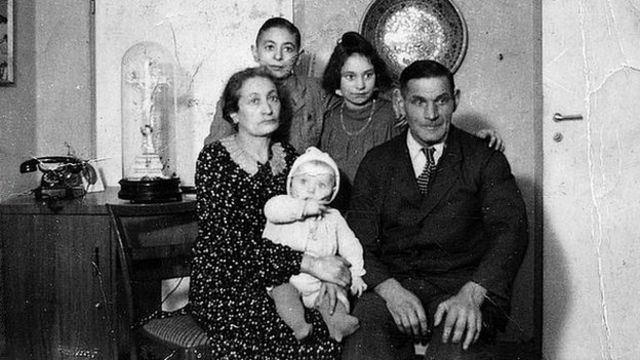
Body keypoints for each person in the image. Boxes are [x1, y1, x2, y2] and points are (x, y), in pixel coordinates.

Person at [341, 60, 529, 360]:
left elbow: (511, 233)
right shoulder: (377, 162)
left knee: (457, 347)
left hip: (463, 287)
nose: (431, 115)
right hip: (394, 284)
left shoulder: (484, 159)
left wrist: (473, 293)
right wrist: (390, 291)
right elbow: (357, 239)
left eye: (441, 101)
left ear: (456, 100)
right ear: (401, 103)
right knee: (363, 339)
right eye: (419, 102)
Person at [190, 67, 351, 359]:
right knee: (278, 332)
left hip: (289, 278)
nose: (267, 108)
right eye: (254, 101)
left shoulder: (291, 158)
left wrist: (327, 272)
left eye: (273, 98)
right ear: (234, 114)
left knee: (324, 327)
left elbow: (320, 223)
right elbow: (231, 243)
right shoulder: (215, 159)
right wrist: (310, 264)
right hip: (228, 280)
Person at [320, 32, 505, 211]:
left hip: (383, 212)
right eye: (350, 77)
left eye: (368, 75)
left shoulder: (393, 112)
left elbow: (432, 141)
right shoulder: (328, 117)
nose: (360, 85)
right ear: (337, 78)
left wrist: (475, 141)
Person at [263, 147, 366, 342]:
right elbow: (271, 209)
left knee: (334, 298)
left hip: (320, 284)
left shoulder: (333, 217)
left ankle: (338, 323)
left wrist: (357, 274)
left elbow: (351, 246)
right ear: (291, 184)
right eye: (303, 181)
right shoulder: (283, 206)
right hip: (287, 278)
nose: (311, 190)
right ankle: (299, 325)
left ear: (331, 192)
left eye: (321, 185)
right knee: (283, 294)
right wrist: (302, 207)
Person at [203, 17, 326, 153]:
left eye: (288, 49)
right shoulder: (237, 92)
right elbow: (214, 153)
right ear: (255, 52)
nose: (278, 56)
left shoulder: (317, 92)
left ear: (299, 56)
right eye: (270, 47)